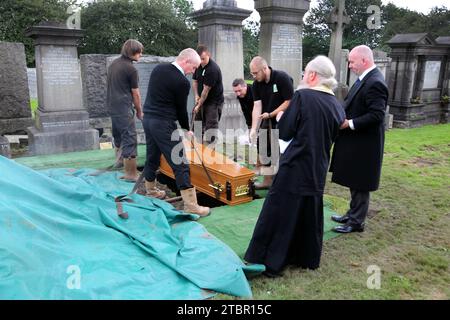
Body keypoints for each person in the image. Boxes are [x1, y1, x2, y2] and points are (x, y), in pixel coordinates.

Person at [244, 56, 345, 277]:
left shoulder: (303, 96)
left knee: (280, 212)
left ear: (312, 75)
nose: (301, 77)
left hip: (295, 165)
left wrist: (280, 116)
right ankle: (306, 257)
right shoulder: (336, 104)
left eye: (304, 73)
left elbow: (288, 130)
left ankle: (270, 260)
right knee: (308, 212)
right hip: (317, 166)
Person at [141, 48, 210, 216]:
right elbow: (180, 110)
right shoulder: (181, 81)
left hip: (148, 120)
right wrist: (188, 129)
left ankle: (150, 190)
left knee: (152, 156)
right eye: (193, 68)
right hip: (163, 123)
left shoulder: (159, 69)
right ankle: (191, 205)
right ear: (186, 61)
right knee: (180, 163)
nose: (193, 72)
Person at [329, 45, 388, 233]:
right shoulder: (365, 79)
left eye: (352, 62)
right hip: (357, 141)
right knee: (354, 179)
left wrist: (350, 123)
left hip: (366, 143)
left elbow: (377, 115)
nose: (350, 66)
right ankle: (352, 213)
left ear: (364, 60)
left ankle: (356, 222)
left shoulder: (375, 82)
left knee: (360, 181)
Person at [249, 56, 294, 189]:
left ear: (264, 68)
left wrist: (271, 114)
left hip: (284, 119)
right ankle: (268, 181)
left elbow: (289, 101)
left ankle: (284, 183)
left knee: (280, 152)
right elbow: (257, 106)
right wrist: (253, 128)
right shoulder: (256, 84)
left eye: (255, 73)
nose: (254, 76)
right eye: (252, 73)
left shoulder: (281, 78)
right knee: (263, 148)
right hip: (267, 118)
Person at [106, 39, 144, 182]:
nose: (141, 55)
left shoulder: (114, 64)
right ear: (133, 52)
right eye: (140, 52)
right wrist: (139, 111)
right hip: (123, 106)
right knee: (130, 137)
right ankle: (131, 174)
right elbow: (136, 93)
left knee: (118, 133)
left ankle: (119, 161)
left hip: (111, 105)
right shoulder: (131, 69)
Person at [192, 45, 224, 147]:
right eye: (199, 59)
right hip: (202, 99)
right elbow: (195, 81)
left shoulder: (212, 69)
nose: (201, 61)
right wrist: (196, 95)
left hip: (213, 102)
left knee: (210, 128)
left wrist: (198, 105)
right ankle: (197, 148)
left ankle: (209, 153)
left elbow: (205, 92)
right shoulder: (198, 66)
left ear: (208, 55)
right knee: (196, 125)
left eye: (203, 59)